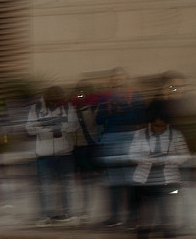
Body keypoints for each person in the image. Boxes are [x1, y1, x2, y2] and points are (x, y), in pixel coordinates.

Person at [125, 100, 189, 239]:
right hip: (144, 182)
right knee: (145, 217)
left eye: (162, 126)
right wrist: (147, 159)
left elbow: (184, 156)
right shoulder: (140, 135)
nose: (159, 129)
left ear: (167, 124)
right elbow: (132, 155)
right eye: (155, 126)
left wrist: (169, 159)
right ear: (150, 123)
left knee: (168, 216)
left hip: (168, 182)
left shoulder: (175, 135)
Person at [96, 68, 145, 227]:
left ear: (126, 79)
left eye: (120, 77)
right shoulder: (106, 97)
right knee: (113, 180)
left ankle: (133, 216)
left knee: (130, 179)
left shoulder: (134, 95)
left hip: (129, 137)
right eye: (114, 77)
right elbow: (98, 119)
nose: (117, 80)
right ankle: (114, 216)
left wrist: (121, 109)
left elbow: (140, 115)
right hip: (110, 137)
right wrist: (111, 110)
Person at [26, 85, 78, 226]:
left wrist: (61, 127)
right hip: (44, 154)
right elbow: (30, 128)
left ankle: (67, 213)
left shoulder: (67, 107)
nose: (55, 104)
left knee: (67, 185)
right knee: (45, 186)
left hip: (65, 152)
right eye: (52, 102)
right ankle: (45, 215)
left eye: (57, 101)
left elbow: (74, 125)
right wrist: (47, 129)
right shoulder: (36, 108)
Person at [71, 81, 102, 224]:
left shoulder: (93, 108)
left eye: (83, 92)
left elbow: (94, 125)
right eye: (79, 92)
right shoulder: (71, 108)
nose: (80, 95)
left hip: (87, 147)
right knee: (78, 182)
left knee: (87, 181)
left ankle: (86, 210)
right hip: (74, 148)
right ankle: (80, 210)